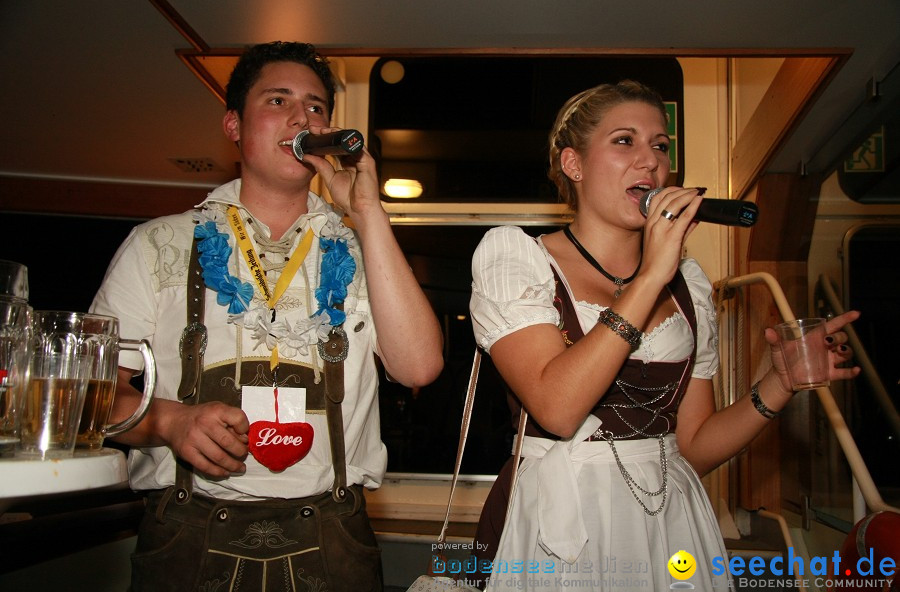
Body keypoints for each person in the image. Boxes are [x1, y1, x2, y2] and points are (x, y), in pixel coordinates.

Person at [467, 80, 859, 590]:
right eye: (625, 141)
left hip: (668, 521)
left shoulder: (688, 286)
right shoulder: (517, 259)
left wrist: (778, 384)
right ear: (573, 164)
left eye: (660, 145)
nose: (650, 162)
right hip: (559, 522)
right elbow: (558, 408)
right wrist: (650, 276)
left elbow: (693, 445)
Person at [91, 41, 443, 591]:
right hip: (187, 536)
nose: (302, 116)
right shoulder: (157, 244)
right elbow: (92, 395)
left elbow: (419, 366)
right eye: (278, 100)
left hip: (333, 539)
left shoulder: (358, 251)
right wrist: (168, 420)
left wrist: (369, 213)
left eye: (317, 106)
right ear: (233, 124)